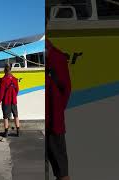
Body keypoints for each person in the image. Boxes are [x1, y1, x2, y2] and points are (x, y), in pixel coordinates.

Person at [46, 40, 71, 180]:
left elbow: (66, 90)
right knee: (62, 171)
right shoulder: (58, 56)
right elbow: (66, 90)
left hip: (53, 122)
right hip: (54, 121)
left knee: (62, 172)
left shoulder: (57, 57)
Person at [0, 63, 20, 137]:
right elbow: (17, 90)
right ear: (10, 69)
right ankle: (18, 131)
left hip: (6, 101)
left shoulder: (3, 80)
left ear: (4, 70)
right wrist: (14, 96)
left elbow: (1, 92)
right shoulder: (15, 79)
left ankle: (6, 132)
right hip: (14, 101)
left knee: (6, 117)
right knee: (16, 115)